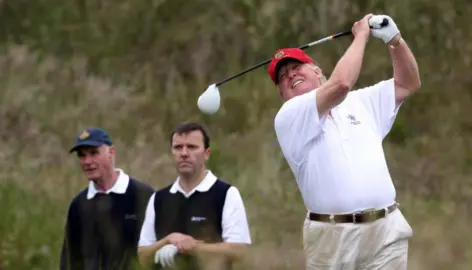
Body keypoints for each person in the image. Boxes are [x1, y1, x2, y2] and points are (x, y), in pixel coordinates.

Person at [269, 14, 421, 269]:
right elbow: (340, 84)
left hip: (386, 230)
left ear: (318, 71)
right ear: (283, 94)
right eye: (282, 76)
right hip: (332, 239)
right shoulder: (289, 116)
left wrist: (395, 41)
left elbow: (408, 83)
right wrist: (362, 35)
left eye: (297, 66)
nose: (290, 74)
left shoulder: (361, 102)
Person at [137, 122, 251, 270]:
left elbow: (239, 251)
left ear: (206, 154)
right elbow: (142, 256)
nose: (184, 153)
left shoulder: (226, 194)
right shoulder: (158, 199)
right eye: (178, 147)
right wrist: (167, 241)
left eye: (191, 147)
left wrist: (192, 247)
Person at [60, 127, 155, 270]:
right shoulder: (78, 205)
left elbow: (157, 250)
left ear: (111, 152)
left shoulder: (143, 195)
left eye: (93, 153)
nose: (87, 161)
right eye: (81, 155)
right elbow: (69, 260)